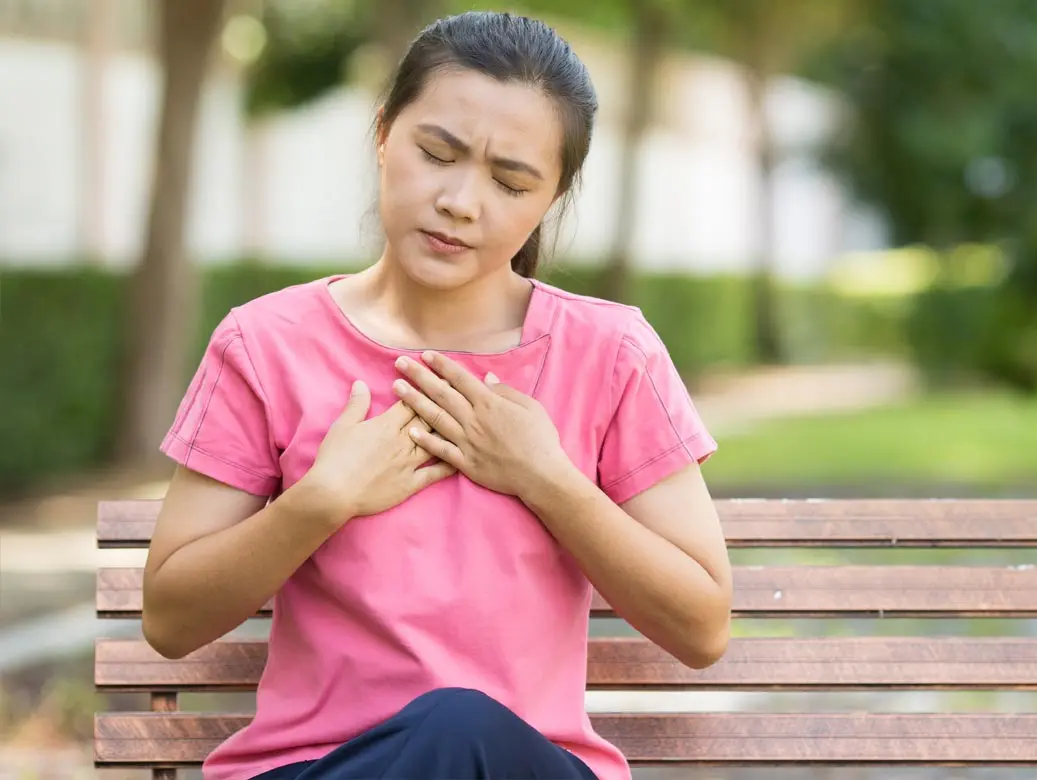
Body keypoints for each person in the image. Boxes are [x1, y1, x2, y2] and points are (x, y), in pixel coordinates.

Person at [141, 10, 732, 780]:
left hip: (521, 768)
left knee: (461, 727)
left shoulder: (610, 355)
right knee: (443, 734)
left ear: (549, 198)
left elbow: (702, 627)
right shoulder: (268, 343)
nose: (461, 201)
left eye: (510, 180)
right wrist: (321, 501)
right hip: (319, 768)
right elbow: (171, 619)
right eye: (436, 153)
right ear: (384, 134)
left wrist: (547, 480)